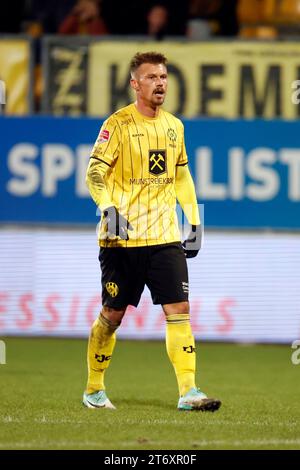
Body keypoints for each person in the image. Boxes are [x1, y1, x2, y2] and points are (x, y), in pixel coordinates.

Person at [83, 51, 221, 412]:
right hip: (121, 237)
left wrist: (193, 217)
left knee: (180, 308)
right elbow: (94, 173)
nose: (160, 83)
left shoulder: (175, 126)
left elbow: (180, 174)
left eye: (163, 76)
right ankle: (94, 389)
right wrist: (109, 208)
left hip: (164, 237)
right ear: (134, 84)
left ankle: (189, 392)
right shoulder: (117, 125)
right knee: (112, 315)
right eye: (151, 77)